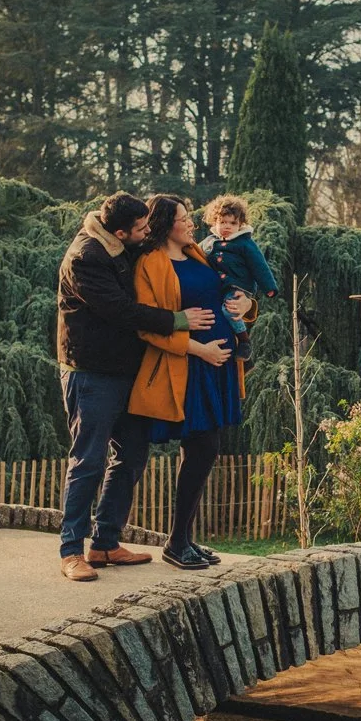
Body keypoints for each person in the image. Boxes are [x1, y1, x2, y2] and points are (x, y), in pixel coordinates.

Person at [56, 192, 214, 582]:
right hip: (91, 372)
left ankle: (106, 543)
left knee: (131, 455)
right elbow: (122, 311)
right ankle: (71, 551)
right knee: (88, 460)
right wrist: (178, 320)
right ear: (120, 231)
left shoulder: (123, 245)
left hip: (127, 371)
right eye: (141, 229)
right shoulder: (86, 257)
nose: (147, 234)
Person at [129, 195, 253, 570]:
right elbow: (147, 325)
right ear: (166, 223)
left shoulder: (199, 254)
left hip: (218, 368)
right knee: (203, 448)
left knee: (204, 450)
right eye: (184, 218)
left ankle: (183, 540)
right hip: (188, 369)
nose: (191, 224)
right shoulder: (150, 263)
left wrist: (248, 305)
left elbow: (231, 292)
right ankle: (176, 541)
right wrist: (199, 350)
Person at [198, 194, 279, 362]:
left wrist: (269, 288)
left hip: (238, 286)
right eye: (223, 222)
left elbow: (260, 266)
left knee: (229, 310)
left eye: (232, 223)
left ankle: (244, 340)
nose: (227, 226)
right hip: (220, 286)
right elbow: (196, 251)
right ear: (215, 222)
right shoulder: (210, 241)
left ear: (240, 224)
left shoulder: (245, 243)